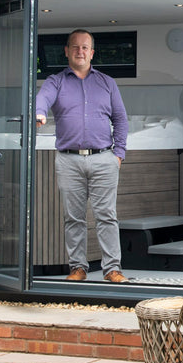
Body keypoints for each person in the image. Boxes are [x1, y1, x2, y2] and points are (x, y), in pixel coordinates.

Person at [35, 29, 130, 282]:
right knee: (73, 218)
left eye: (85, 47)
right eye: (75, 47)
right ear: (66, 51)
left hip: (103, 158)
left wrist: (118, 154)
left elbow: (121, 119)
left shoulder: (107, 83)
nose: (80, 51)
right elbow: (42, 98)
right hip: (68, 160)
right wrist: (39, 113)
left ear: (92, 53)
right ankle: (78, 268)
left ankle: (112, 269)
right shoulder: (56, 81)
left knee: (107, 216)